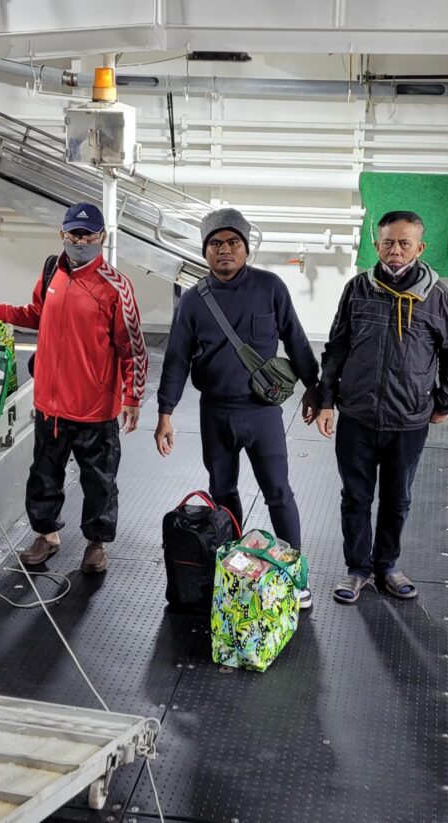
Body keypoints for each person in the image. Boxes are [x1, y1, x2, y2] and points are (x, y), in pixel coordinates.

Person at [155, 207, 318, 609]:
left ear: (246, 248)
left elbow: (296, 340)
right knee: (222, 493)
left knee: (278, 492)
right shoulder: (193, 302)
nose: (224, 250)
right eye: (215, 244)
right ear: (205, 250)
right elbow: (176, 359)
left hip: (262, 414)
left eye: (233, 243)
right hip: (215, 414)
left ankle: (293, 576)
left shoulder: (270, 288)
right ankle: (234, 572)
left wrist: (316, 389)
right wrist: (164, 412)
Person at [0, 202, 148, 575]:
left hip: (95, 409)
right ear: (62, 234)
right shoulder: (52, 270)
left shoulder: (117, 287)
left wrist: (132, 396)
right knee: (44, 475)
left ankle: (95, 544)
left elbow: (131, 347)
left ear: (102, 237)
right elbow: (37, 314)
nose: (80, 241)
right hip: (50, 405)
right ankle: (46, 535)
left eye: (88, 235)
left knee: (99, 481)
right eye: (74, 234)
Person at [311, 210, 448, 604]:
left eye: (404, 243)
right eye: (387, 242)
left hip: (408, 420)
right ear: (376, 243)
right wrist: (326, 401)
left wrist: (444, 402)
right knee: (356, 497)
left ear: (420, 246)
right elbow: (336, 349)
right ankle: (357, 570)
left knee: (397, 499)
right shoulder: (357, 289)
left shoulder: (437, 297)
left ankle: (387, 566)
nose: (395, 250)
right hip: (357, 416)